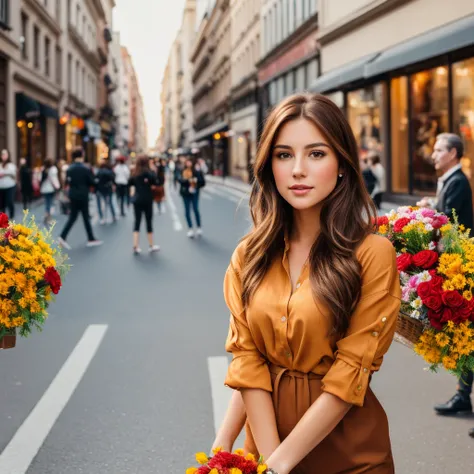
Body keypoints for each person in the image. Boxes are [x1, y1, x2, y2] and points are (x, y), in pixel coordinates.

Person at [215, 94, 401, 474]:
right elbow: (249, 362)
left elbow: (352, 371)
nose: (298, 169)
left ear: (343, 165)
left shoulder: (372, 254)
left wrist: (280, 464)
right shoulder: (248, 256)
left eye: (316, 154)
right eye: (284, 155)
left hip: (351, 458)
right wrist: (237, 451)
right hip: (265, 452)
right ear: (269, 166)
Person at [417, 133, 474, 438]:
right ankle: (463, 396)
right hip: (458, 267)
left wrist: (429, 218)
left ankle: (463, 397)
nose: (434, 154)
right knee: (466, 336)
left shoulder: (458, 181)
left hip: (462, 267)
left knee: (468, 335)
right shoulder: (451, 181)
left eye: (439, 149)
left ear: (453, 153)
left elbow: (449, 224)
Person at [58, 147, 103, 249]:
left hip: (73, 195)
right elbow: (92, 182)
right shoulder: (85, 168)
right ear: (82, 155)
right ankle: (90, 238)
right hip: (83, 195)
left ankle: (63, 236)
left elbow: (67, 183)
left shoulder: (70, 169)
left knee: (73, 217)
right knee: (85, 217)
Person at [128, 155, 161, 254]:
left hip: (137, 200)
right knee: (149, 221)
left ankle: (135, 246)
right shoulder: (149, 173)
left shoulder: (134, 173)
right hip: (147, 200)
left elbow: (129, 183)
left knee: (137, 222)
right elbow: (156, 182)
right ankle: (151, 245)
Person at [179, 158, 205, 238]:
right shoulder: (182, 171)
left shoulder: (196, 170)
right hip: (185, 193)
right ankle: (190, 228)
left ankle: (198, 227)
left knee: (195, 209)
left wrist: (196, 182)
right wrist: (188, 181)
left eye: (190, 161)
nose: (188, 163)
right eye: (187, 162)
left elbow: (202, 182)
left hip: (194, 193)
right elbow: (180, 180)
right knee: (187, 211)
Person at [40, 158, 60, 224]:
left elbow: (40, 179)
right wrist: (58, 187)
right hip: (51, 188)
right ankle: (49, 218)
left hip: (44, 189)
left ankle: (46, 217)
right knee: (51, 203)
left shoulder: (43, 169)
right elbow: (54, 179)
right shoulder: (53, 169)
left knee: (47, 203)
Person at [0, 149, 17, 219]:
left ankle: (12, 216)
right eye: (2, 154)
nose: (4, 156)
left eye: (5, 154)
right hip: (1, 187)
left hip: (10, 186)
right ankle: (2, 220)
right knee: (1, 204)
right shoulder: (0, 164)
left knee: (10, 201)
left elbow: (13, 173)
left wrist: (4, 173)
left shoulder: (11, 165)